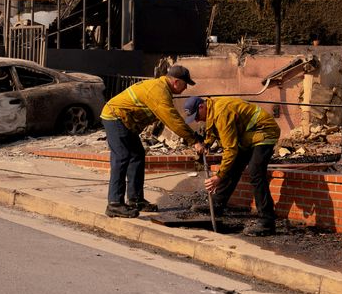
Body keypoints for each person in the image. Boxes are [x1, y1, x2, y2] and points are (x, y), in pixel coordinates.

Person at [100, 65, 205, 218]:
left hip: (125, 121)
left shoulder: (162, 89)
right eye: (185, 84)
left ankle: (135, 200)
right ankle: (114, 204)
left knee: (137, 155)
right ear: (176, 82)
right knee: (122, 156)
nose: (186, 88)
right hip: (115, 117)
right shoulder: (159, 91)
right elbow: (173, 120)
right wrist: (193, 140)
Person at [184, 96, 280, 236]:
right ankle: (217, 205)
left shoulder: (222, 112)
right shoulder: (212, 110)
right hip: (248, 135)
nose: (197, 120)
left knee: (255, 172)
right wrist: (207, 143)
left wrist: (219, 176)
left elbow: (230, 149)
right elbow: (213, 128)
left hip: (264, 131)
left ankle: (267, 222)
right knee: (233, 167)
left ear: (201, 107)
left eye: (196, 116)